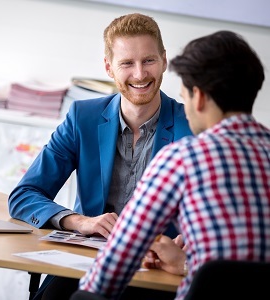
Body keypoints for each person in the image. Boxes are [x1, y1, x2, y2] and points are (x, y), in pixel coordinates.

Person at [72, 30, 270, 300]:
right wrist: (187, 264)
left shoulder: (183, 159)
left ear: (197, 97)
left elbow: (116, 261)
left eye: (184, 97)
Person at [8, 13, 192, 299]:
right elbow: (24, 195)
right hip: (85, 264)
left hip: (156, 273)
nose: (140, 74)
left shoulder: (192, 127)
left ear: (164, 60)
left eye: (149, 61)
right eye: (127, 63)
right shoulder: (82, 117)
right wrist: (81, 221)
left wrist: (187, 244)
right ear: (109, 67)